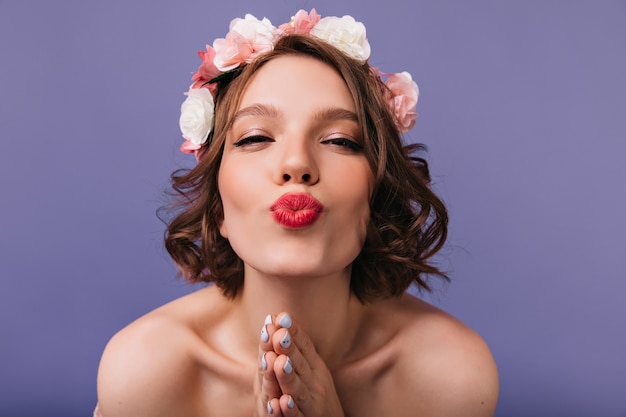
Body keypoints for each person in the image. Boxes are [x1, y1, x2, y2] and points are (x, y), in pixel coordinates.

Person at [95, 9, 499, 417]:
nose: (297, 163)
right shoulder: (145, 371)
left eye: (340, 141)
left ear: (375, 197)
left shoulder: (450, 376)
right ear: (218, 209)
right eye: (255, 137)